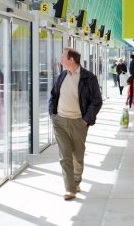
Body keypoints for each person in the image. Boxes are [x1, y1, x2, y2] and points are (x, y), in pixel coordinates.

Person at [49, 48, 103, 200]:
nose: (61, 60)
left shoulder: (88, 78)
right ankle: (70, 189)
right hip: (60, 121)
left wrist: (85, 120)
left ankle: (76, 181)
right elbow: (53, 95)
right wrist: (52, 114)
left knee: (77, 157)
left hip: (79, 122)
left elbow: (97, 101)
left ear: (71, 60)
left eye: (63, 57)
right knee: (65, 156)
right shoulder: (61, 76)